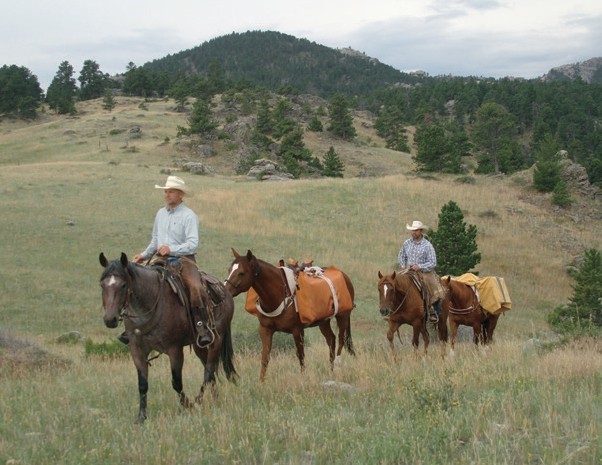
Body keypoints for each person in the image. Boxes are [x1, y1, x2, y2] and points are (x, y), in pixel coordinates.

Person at [124, 175, 213, 347]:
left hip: (185, 260)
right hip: (160, 259)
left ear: (181, 194)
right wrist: (143, 255)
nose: (167, 195)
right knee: (137, 281)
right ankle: (133, 326)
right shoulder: (160, 213)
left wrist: (172, 249)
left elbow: (193, 244)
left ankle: (201, 326)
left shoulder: (189, 216)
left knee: (195, 287)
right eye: (166, 191)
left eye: (171, 191)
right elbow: (155, 240)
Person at [398, 220, 446, 322]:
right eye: (412, 230)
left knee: (432, 285)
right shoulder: (407, 243)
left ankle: (434, 309)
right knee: (395, 282)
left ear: (421, 231)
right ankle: (395, 308)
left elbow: (433, 262)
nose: (413, 232)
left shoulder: (427, 245)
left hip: (424, 272)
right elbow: (401, 256)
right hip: (409, 270)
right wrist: (403, 266)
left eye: (415, 230)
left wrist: (420, 266)